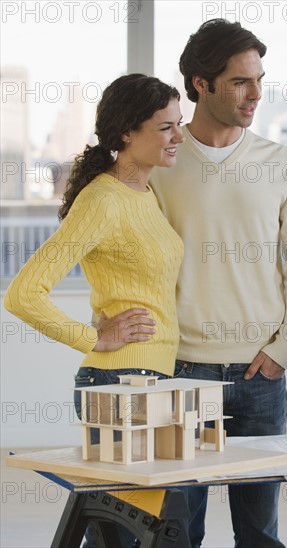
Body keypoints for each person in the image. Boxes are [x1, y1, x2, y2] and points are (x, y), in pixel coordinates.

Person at [150, 18, 287, 548]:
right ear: (200, 83)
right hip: (179, 372)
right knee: (177, 529)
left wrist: (284, 349)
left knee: (260, 531)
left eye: (259, 79)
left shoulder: (281, 164)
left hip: (260, 375)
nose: (256, 94)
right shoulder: (162, 166)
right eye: (241, 82)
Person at [4, 73, 185, 547]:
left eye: (179, 125)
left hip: (152, 382)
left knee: (134, 534)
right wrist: (96, 338)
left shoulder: (146, 195)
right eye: (166, 127)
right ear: (128, 132)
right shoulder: (103, 199)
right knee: (126, 536)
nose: (178, 137)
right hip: (119, 384)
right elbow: (23, 293)